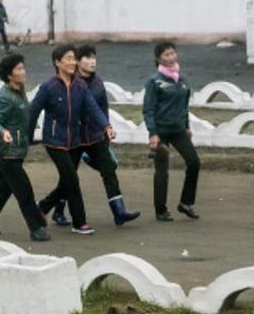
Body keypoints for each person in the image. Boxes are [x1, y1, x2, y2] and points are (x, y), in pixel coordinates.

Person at [49, 44, 141, 228]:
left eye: (94, 57)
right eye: (87, 58)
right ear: (77, 61)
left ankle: (119, 212)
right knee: (69, 177)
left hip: (96, 136)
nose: (92, 62)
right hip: (74, 139)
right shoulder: (69, 83)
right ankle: (57, 210)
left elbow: (102, 109)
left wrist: (106, 130)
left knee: (109, 171)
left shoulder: (98, 84)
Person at [29, 44, 114, 235]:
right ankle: (79, 223)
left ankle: (43, 206)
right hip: (54, 142)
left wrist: (106, 126)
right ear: (57, 62)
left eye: (73, 58)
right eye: (68, 58)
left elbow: (93, 108)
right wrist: (27, 137)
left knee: (67, 181)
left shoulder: (80, 86)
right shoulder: (49, 87)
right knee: (72, 180)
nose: (72, 62)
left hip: (73, 141)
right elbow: (33, 111)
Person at [0, 53, 49, 242]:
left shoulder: (19, 91)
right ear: (9, 74)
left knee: (3, 190)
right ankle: (36, 227)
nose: (23, 71)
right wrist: (3, 132)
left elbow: (22, 121)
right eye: (19, 69)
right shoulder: (3, 97)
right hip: (7, 153)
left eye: (23, 67)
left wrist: (31, 138)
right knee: (24, 191)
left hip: (18, 150)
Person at [142, 41, 200, 221]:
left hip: (178, 130)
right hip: (161, 131)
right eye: (166, 55)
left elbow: (184, 106)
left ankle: (186, 203)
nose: (170, 58)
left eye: (172, 53)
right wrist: (153, 133)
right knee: (162, 170)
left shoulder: (182, 79)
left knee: (194, 163)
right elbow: (148, 109)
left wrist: (187, 126)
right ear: (158, 58)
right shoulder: (154, 81)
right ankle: (161, 210)